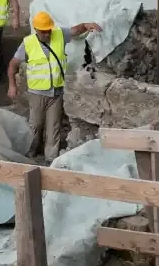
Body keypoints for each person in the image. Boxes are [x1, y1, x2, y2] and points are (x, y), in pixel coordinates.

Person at [7, 11, 101, 161]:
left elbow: (75, 30)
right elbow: (13, 65)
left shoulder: (59, 34)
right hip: (37, 93)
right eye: (43, 31)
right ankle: (30, 153)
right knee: (35, 125)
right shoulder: (28, 43)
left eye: (48, 30)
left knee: (54, 126)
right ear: (36, 29)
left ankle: (51, 158)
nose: (47, 34)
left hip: (56, 92)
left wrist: (85, 25)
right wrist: (12, 85)